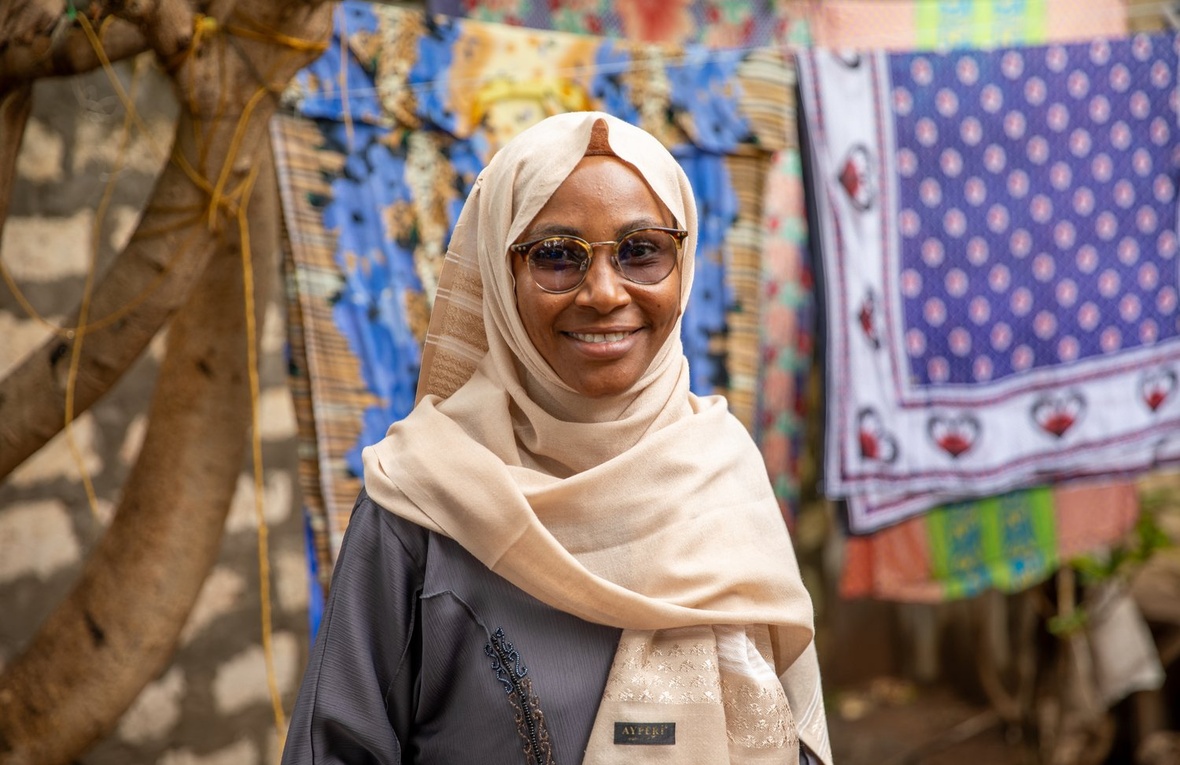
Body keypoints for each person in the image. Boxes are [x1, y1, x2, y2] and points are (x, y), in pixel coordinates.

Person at [281, 111, 831, 765]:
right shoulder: (420, 501)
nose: (603, 293)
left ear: (683, 264)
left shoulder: (724, 475)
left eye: (642, 250)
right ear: (500, 274)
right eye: (555, 256)